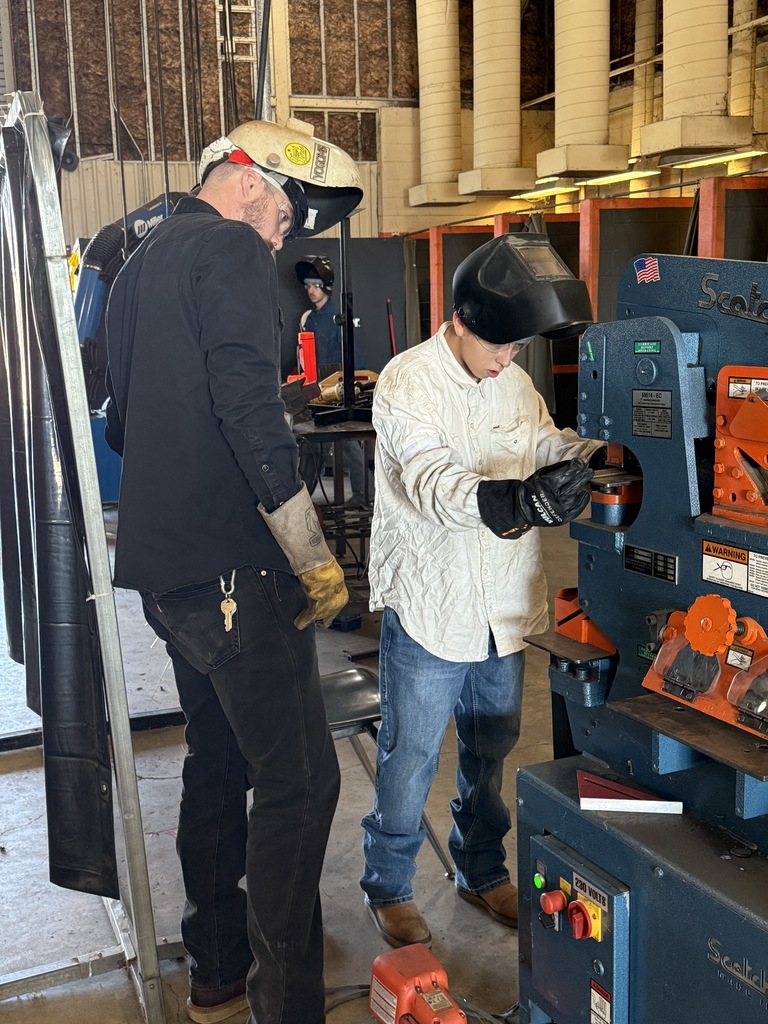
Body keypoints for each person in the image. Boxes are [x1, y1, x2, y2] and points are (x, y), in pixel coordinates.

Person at [104, 118, 363, 1024]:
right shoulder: (230, 248)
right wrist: (308, 550)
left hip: (169, 579)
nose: (289, 230)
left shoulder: (141, 263)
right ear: (247, 175)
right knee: (300, 781)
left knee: (217, 760)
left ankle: (214, 966)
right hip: (232, 575)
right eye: (289, 206)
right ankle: (284, 1007)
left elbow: (119, 427)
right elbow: (250, 405)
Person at [360, 232, 603, 948]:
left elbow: (544, 441)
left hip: (503, 606)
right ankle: (390, 886)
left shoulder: (512, 379)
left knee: (490, 749)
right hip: (433, 606)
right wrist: (517, 503)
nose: (510, 358)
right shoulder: (407, 382)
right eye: (500, 343)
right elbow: (433, 484)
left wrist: (597, 456)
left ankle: (480, 868)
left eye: (518, 346)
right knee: (410, 760)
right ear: (461, 322)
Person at [294, 254, 370, 507]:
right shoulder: (310, 318)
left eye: (314, 285)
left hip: (338, 387)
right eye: (307, 286)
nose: (310, 291)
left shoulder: (339, 315)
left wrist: (353, 387)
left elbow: (353, 353)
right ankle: (303, 499)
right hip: (315, 388)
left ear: (325, 286)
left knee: (347, 445)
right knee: (313, 444)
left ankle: (362, 494)